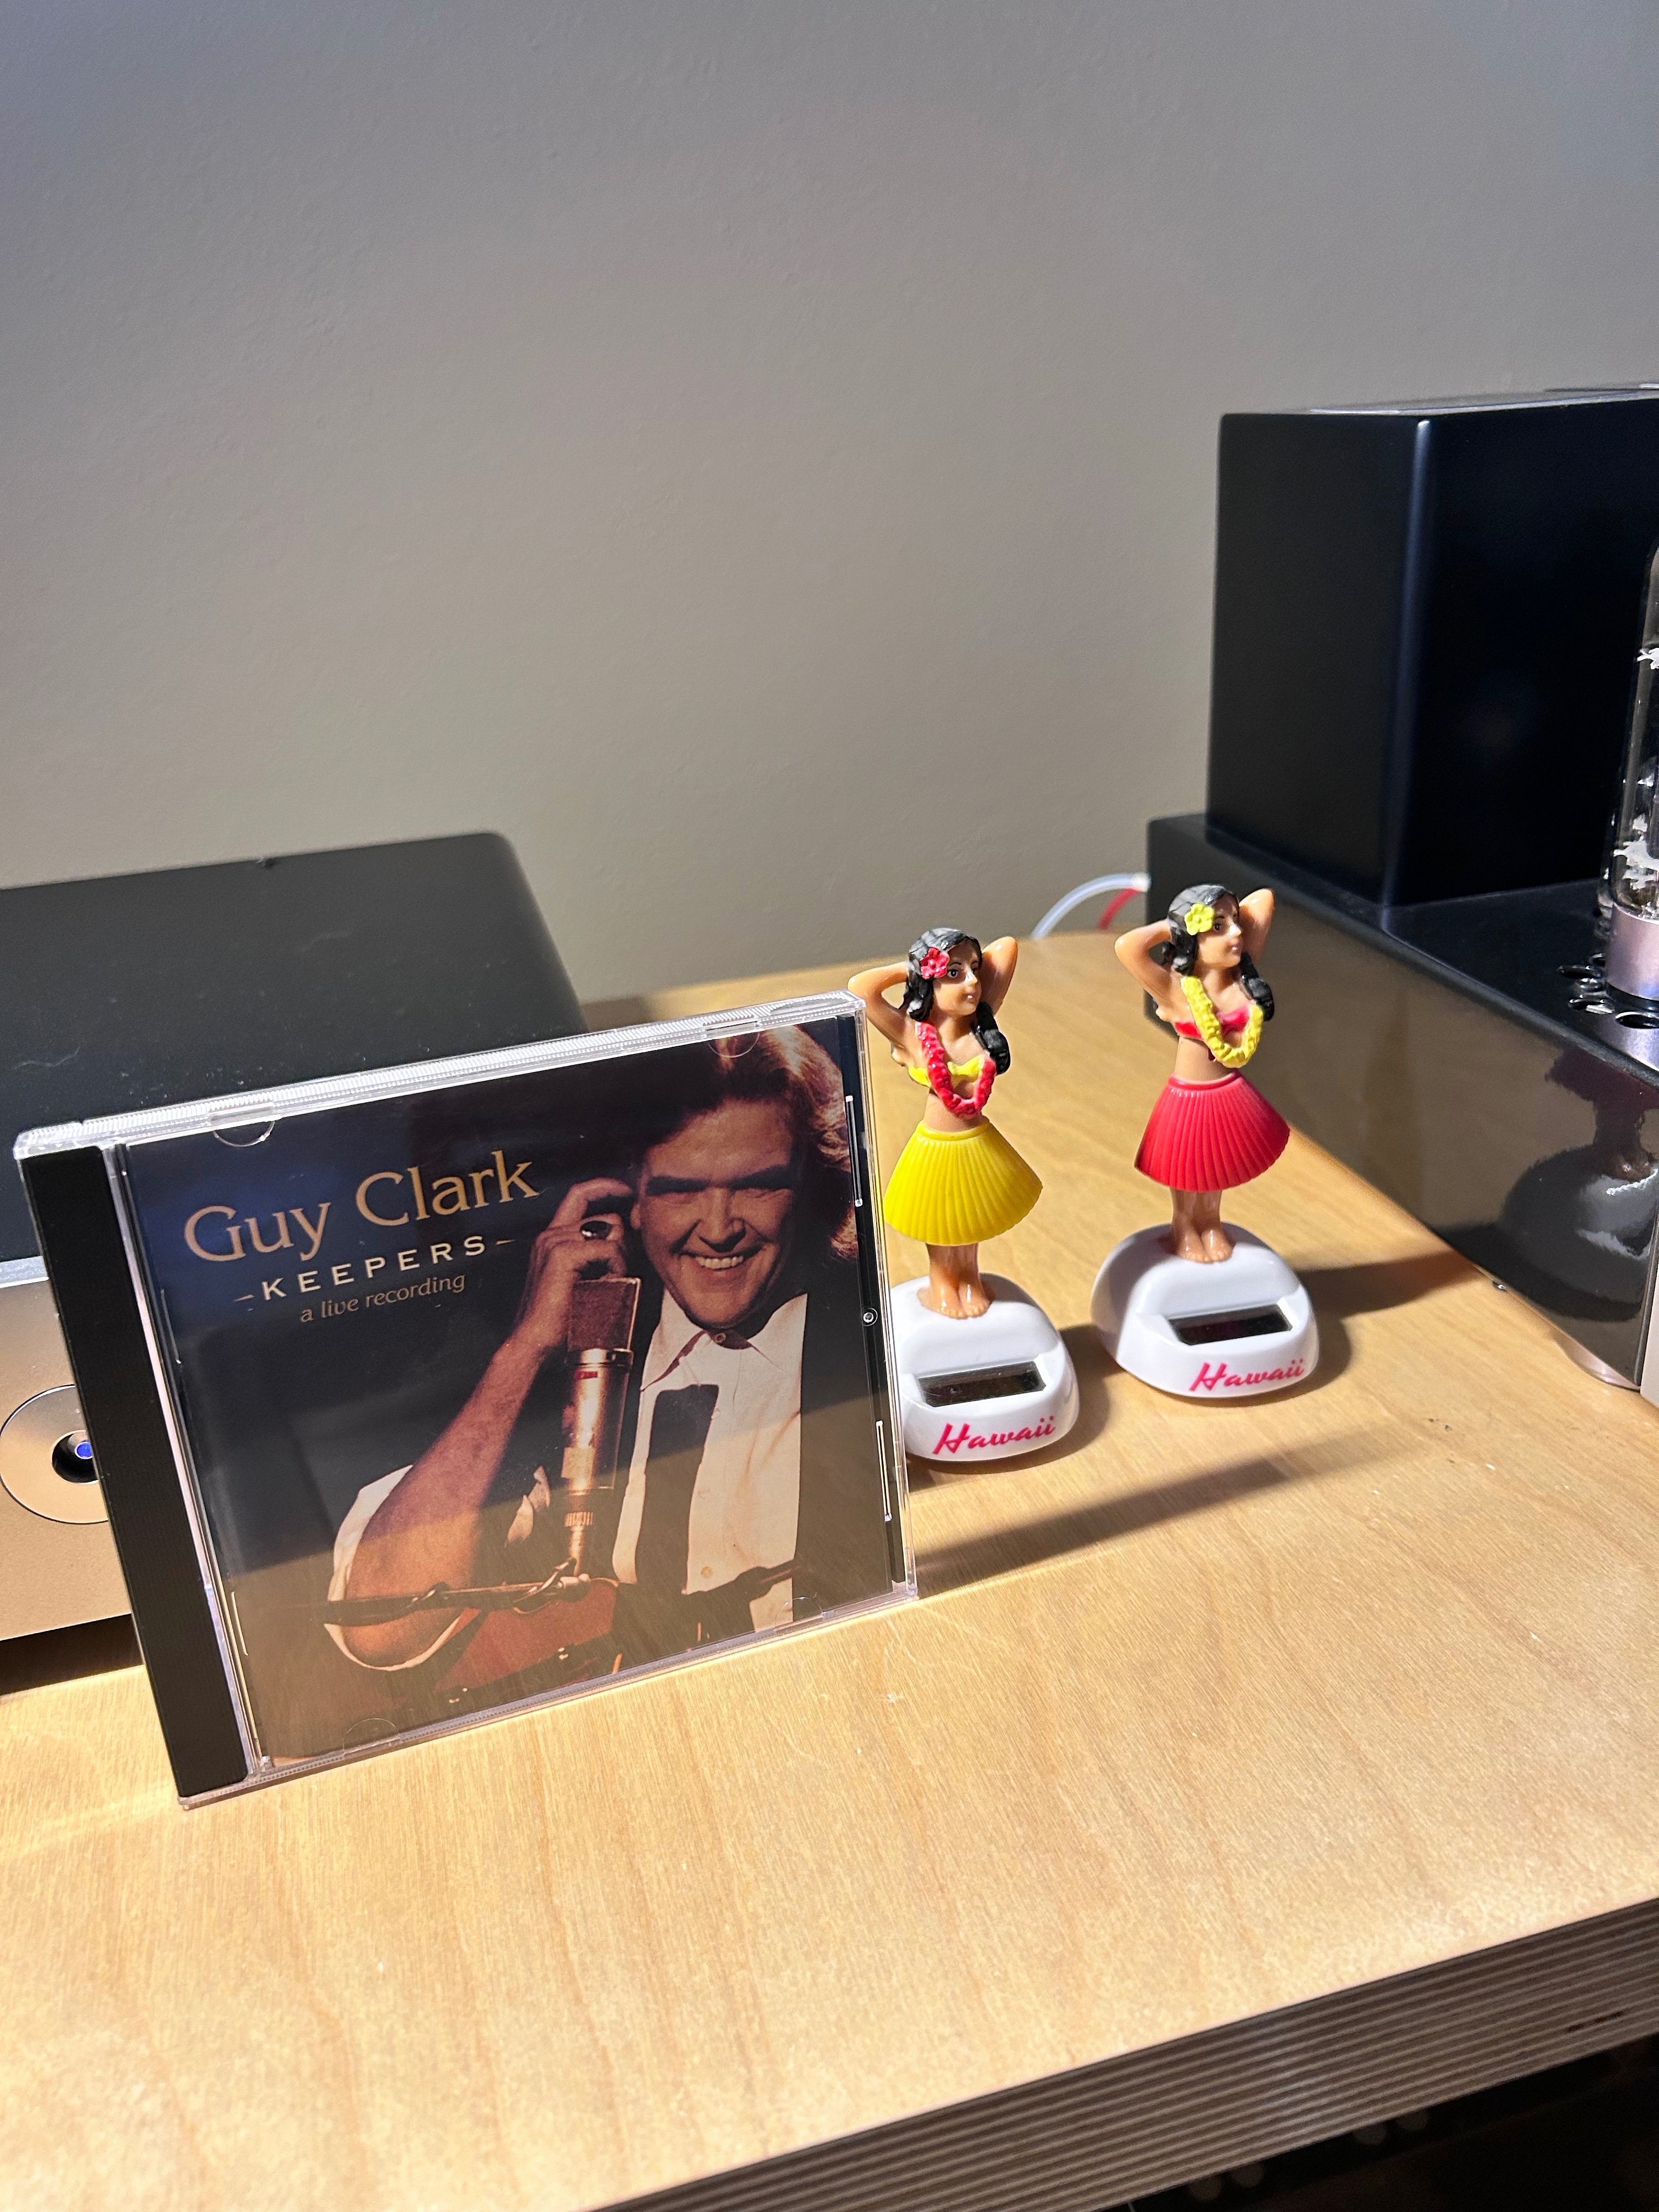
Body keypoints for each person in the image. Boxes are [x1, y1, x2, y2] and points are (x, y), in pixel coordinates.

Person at [326, 1026, 888, 1697]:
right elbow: (383, 1626)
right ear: (632, 1199)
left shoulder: (864, 1337)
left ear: (813, 1186)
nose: (718, 1229)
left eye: (758, 1187)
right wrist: (526, 1349)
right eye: (681, 1191)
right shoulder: (573, 1366)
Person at [849, 929, 1041, 1318]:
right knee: (941, 1223)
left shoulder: (979, 1026)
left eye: (974, 970)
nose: (971, 982)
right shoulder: (911, 1034)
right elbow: (862, 988)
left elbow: (1006, 950)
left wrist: (957, 966)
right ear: (929, 980)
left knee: (971, 1221)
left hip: (977, 1141)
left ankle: (969, 1279)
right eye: (954, 973)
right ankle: (942, 1282)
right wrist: (916, 968)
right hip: (935, 1147)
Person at [1114, 883, 1288, 1263]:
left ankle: (1210, 1221)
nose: (1237, 932)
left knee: (1218, 1165)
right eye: (1219, 927)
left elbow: (1263, 901)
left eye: (1236, 922)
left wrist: (1223, 918)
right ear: (1191, 937)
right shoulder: (1175, 988)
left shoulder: (1242, 980)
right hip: (1188, 1095)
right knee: (1188, 1167)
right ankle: (1184, 1223)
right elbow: (1127, 946)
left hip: (1229, 1091)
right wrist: (1175, 926)